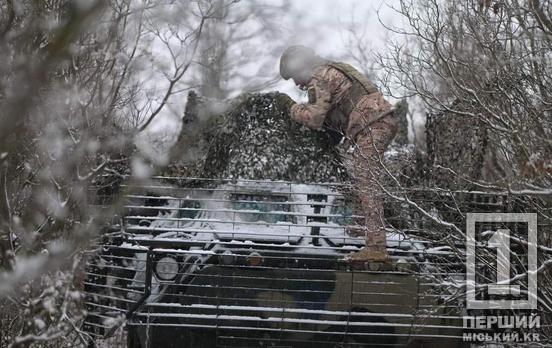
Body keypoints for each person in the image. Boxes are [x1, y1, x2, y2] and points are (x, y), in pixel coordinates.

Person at [278, 45, 398, 262]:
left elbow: (314, 118)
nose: (297, 83)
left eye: (295, 75)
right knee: (360, 177)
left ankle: (377, 247)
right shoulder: (332, 70)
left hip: (371, 124)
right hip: (376, 121)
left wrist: (293, 109)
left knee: (367, 182)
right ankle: (359, 229)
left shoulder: (319, 76)